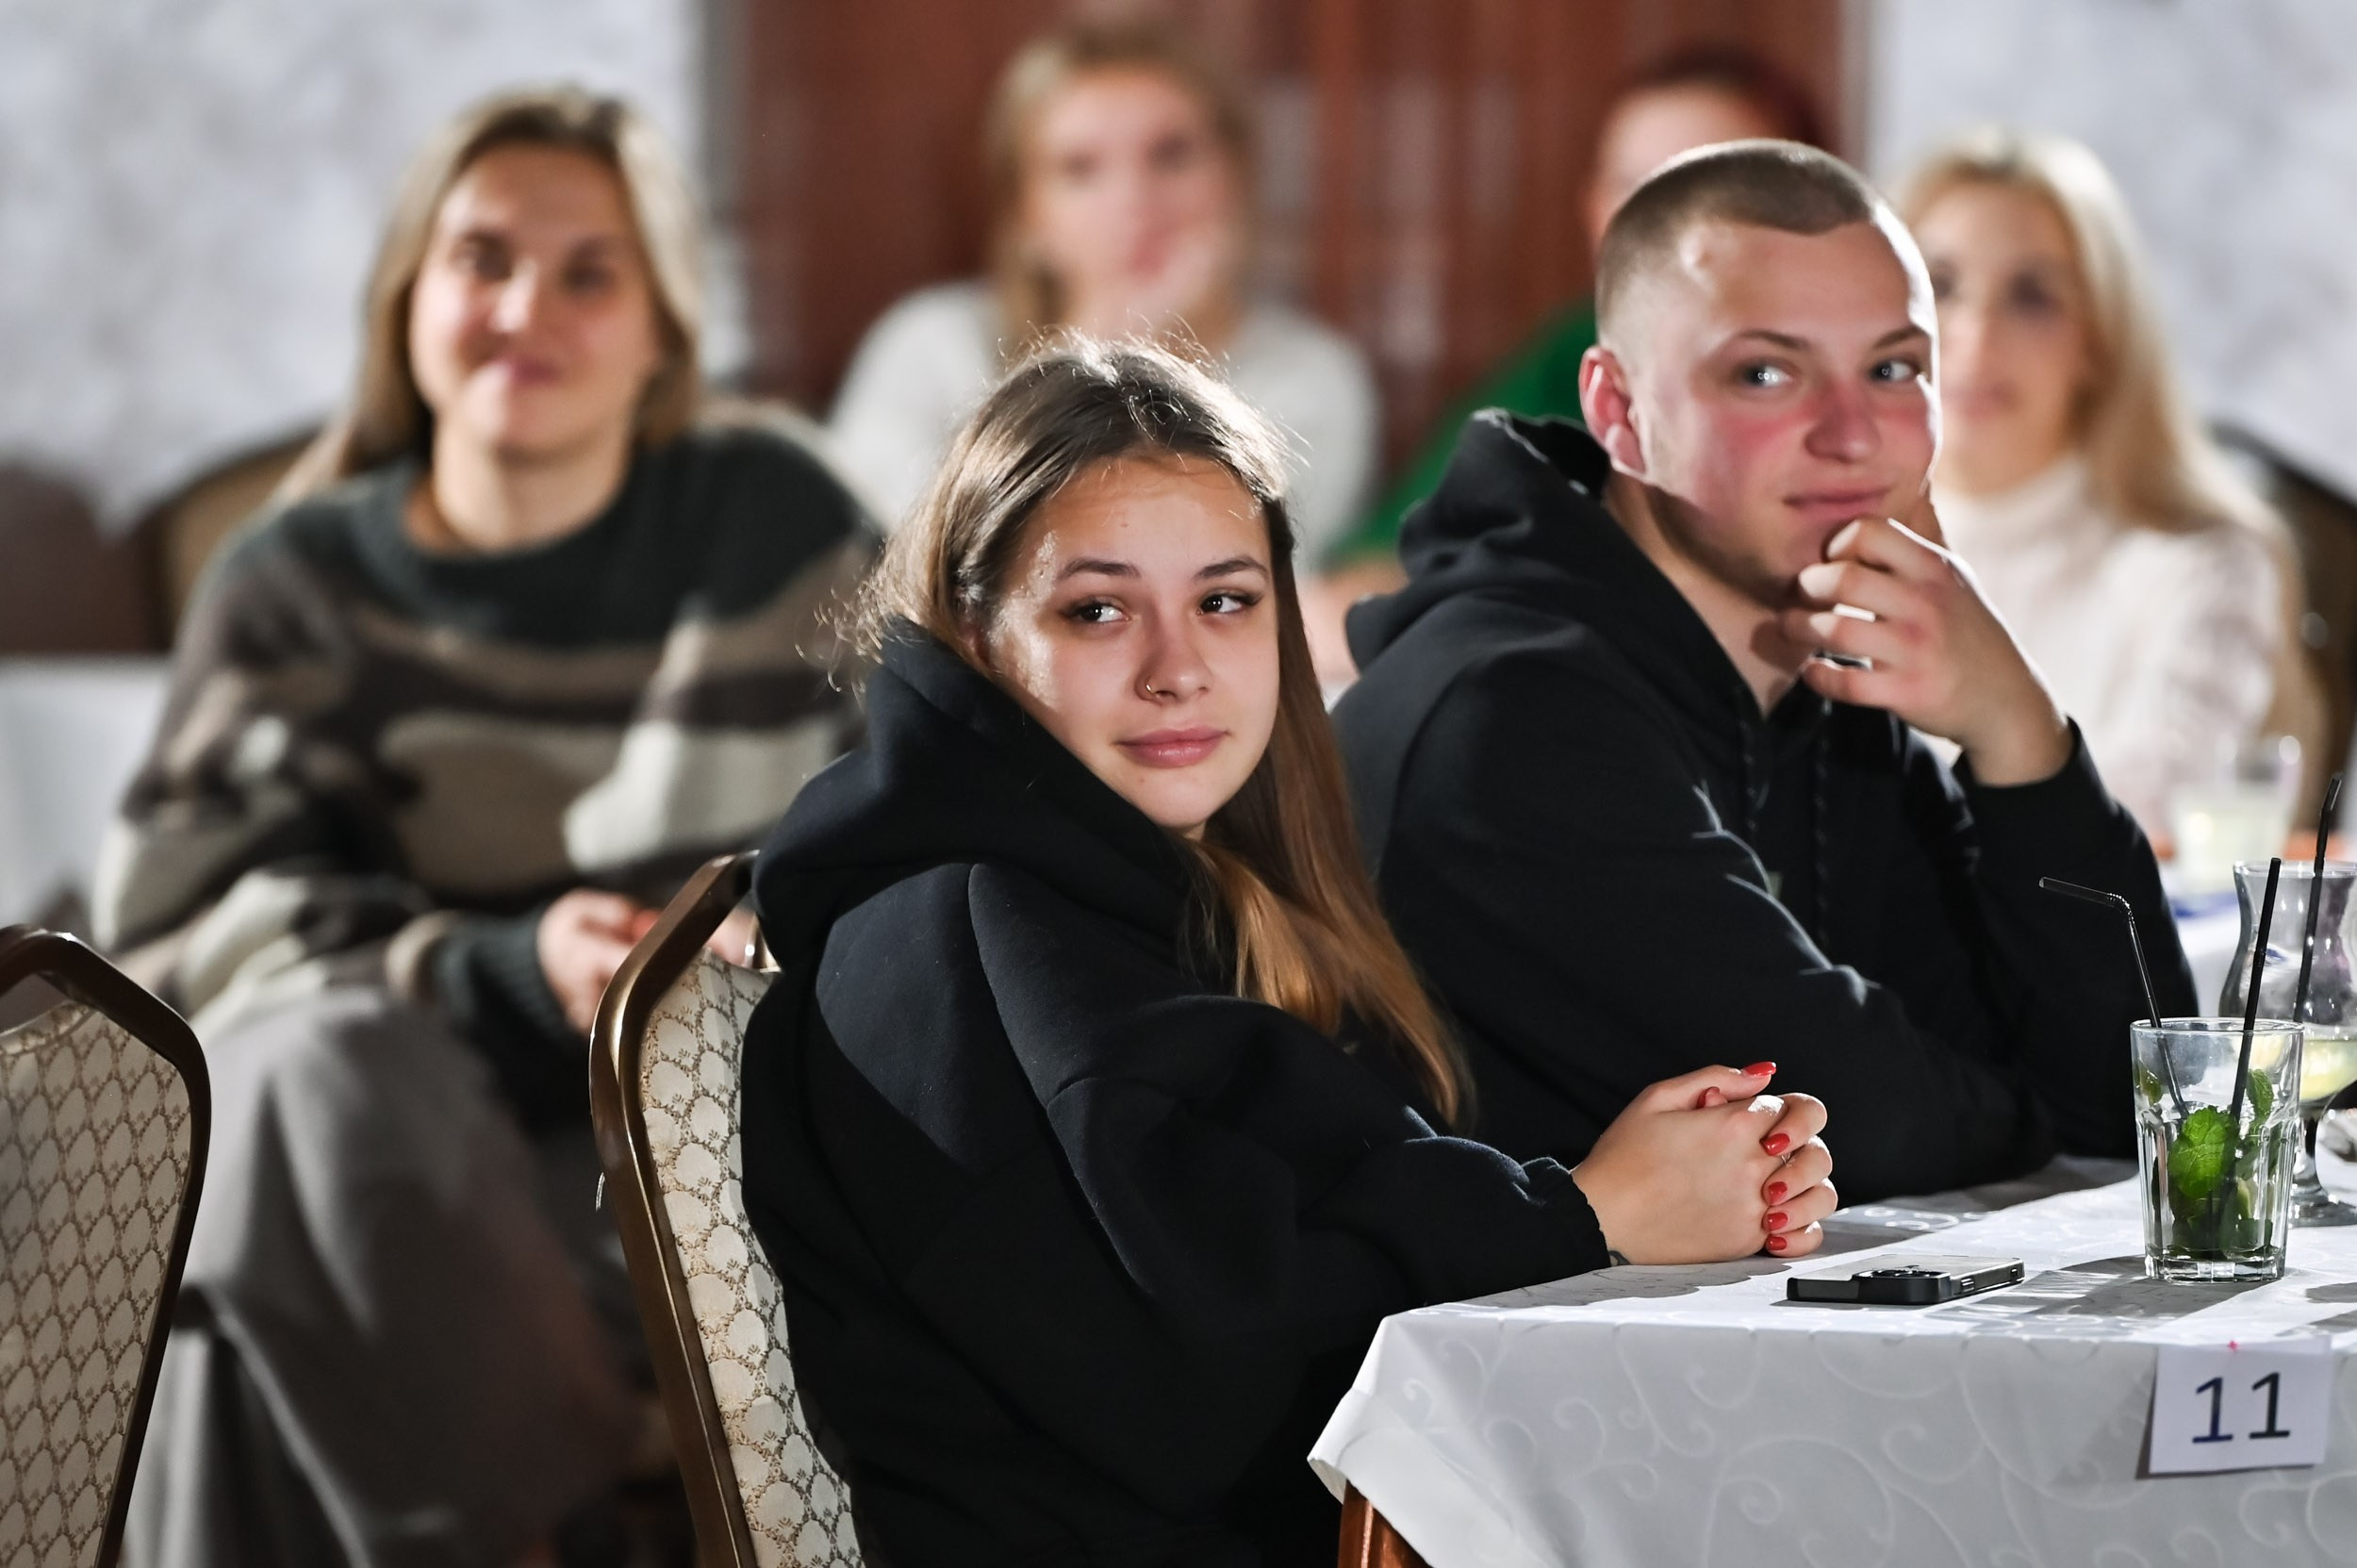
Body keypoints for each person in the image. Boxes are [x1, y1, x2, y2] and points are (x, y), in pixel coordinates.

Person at [740, 340, 1834, 1564]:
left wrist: (1674, 1173)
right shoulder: (953, 939)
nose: (1177, 670)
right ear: (976, 636)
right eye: (1096, 610)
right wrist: (1583, 1211)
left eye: (1224, 600)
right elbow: (1199, 1389)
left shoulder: (1178, 901)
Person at [93, 88, 875, 1567]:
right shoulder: (291, 584)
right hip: (385, 1164)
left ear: (664, 332)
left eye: (590, 272)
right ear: (408, 300)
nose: (526, 308)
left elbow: (908, 827)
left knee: (225, 1337)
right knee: (302, 1093)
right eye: (483, 260)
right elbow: (167, 951)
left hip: (679, 1165)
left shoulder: (781, 530)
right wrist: (499, 968)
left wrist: (728, 955)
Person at [1332, 141, 2197, 1203]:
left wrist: (2018, 732)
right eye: (1765, 373)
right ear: (1617, 411)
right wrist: (2029, 1105)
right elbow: (1865, 1120)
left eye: (1892, 369)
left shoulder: (1818, 675)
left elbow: (2143, 1096)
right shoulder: (1510, 718)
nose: (1851, 437)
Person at [827, 18, 1377, 561]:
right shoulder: (929, 344)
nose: (1135, 199)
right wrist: (1107, 345)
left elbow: (1238, 574)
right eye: (1080, 169)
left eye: (1171, 155)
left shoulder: (1309, 374)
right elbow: (908, 559)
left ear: (1236, 179)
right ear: (1026, 219)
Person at [1901, 127, 2305, 836]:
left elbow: (2140, 815)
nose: (1975, 334)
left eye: (2031, 296)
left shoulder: (2203, 565)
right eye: (1940, 286)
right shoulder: (1814, 545)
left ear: (2099, 340)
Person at [1323, 45, 1827, 573]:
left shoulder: (1845, 390)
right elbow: (1381, 560)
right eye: (1633, 187)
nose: (1661, 222)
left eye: (1711, 188)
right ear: (1594, 210)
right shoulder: (1571, 352)